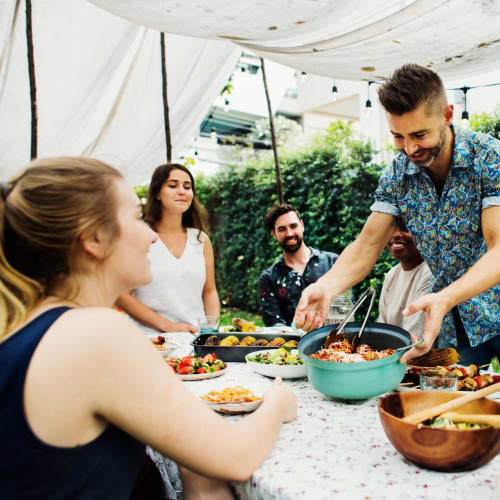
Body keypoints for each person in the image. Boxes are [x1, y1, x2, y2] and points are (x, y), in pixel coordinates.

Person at [0, 157, 297, 499]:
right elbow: (236, 457)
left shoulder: (31, 322)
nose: (150, 236)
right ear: (94, 239)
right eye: (137, 218)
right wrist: (277, 401)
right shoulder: (95, 333)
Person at [294, 64, 500, 365]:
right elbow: (367, 245)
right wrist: (326, 286)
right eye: (398, 137)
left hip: (491, 305)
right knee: (461, 407)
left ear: (447, 115)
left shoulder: (489, 157)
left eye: (419, 134)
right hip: (451, 324)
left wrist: (446, 296)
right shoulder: (398, 173)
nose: (410, 148)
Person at [116, 163, 219, 334]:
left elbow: (209, 291)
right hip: (152, 340)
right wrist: (167, 326)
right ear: (157, 193)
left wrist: (211, 329)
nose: (182, 191)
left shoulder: (201, 239)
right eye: (172, 185)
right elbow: (121, 296)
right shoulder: (139, 235)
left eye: (187, 187)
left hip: (195, 339)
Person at [258, 204, 338, 327]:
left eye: (293, 226)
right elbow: (274, 324)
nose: (289, 233)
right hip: (293, 345)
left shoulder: (332, 262)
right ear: (274, 233)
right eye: (282, 229)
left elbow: (347, 305)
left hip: (337, 341)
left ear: (302, 225)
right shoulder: (268, 278)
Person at [378, 217, 432, 337]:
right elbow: (382, 327)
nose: (396, 234)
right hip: (392, 351)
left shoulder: (430, 273)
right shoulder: (391, 275)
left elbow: (414, 336)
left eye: (405, 228)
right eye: (391, 229)